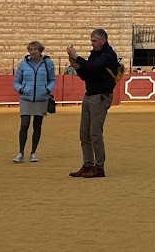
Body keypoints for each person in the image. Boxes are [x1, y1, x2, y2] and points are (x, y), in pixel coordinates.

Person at [66, 29, 121, 177]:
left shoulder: (109, 55)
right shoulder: (96, 54)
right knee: (84, 134)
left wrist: (76, 57)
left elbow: (92, 68)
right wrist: (77, 66)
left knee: (95, 134)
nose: (92, 43)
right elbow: (86, 74)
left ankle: (99, 167)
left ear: (103, 40)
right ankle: (88, 164)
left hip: (100, 96)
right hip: (90, 95)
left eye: (94, 41)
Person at [13, 41, 56, 162]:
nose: (32, 52)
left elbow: (52, 79)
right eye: (30, 50)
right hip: (26, 97)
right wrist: (20, 89)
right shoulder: (23, 63)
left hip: (41, 98)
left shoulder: (47, 63)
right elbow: (17, 81)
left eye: (34, 50)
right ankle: (21, 153)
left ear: (40, 51)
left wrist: (47, 89)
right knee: (24, 124)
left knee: (37, 125)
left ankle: (33, 153)